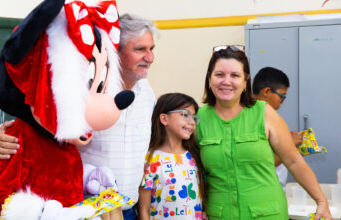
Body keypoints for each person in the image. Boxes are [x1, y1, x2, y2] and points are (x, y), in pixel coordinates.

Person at [0, 13, 157, 220]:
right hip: (80, 210)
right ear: (116, 50)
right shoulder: (83, 95)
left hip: (127, 209)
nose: (150, 58)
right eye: (140, 49)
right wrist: (1, 138)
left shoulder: (148, 94)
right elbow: (42, 125)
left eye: (151, 49)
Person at [197, 46, 332, 219]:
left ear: (245, 81)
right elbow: (195, 172)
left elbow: (293, 161)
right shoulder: (198, 119)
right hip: (220, 214)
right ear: (209, 79)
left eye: (235, 75)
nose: (226, 81)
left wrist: (321, 201)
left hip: (267, 213)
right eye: (220, 74)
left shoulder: (264, 113)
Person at [138, 93, 207, 220]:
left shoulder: (194, 156)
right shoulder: (149, 158)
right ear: (164, 119)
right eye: (185, 115)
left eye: (194, 117)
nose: (191, 122)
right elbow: (144, 210)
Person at [252, 66, 303, 191]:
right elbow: (264, 163)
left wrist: (286, 139)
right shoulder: (252, 117)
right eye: (282, 96)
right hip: (264, 191)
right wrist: (290, 143)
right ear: (267, 92)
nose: (282, 102)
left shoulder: (268, 115)